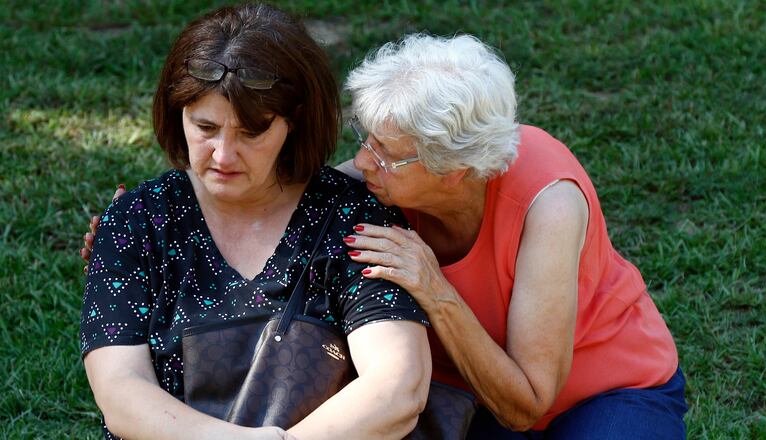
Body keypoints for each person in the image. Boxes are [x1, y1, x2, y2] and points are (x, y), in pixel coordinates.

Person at [79, 4, 431, 440]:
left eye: (251, 132)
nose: (223, 154)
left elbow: (397, 388)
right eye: (205, 127)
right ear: (177, 114)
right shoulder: (137, 220)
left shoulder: (352, 216)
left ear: (294, 123)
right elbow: (119, 390)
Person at [338, 34, 688, 438]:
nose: (362, 160)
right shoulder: (376, 182)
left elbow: (527, 404)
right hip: (467, 395)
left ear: (453, 171)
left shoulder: (549, 203)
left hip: (605, 391)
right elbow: (296, 197)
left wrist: (435, 289)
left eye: (384, 154)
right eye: (366, 139)